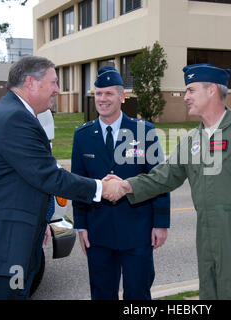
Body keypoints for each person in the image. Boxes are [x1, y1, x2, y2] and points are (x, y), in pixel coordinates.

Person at [0, 56, 118, 300]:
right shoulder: (14, 118)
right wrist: (102, 188)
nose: (57, 90)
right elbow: (48, 176)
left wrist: (40, 222)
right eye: (53, 82)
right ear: (30, 82)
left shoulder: (13, 113)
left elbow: (25, 180)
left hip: (5, 250)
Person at [106, 63, 231, 300]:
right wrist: (126, 185)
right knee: (210, 294)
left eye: (191, 90)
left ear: (211, 91)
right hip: (206, 235)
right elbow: (164, 176)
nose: (185, 96)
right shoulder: (192, 139)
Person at [71, 66, 170, 300]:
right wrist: (81, 226)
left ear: (121, 97)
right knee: (102, 293)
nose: (102, 99)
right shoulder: (83, 135)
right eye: (98, 94)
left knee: (138, 294)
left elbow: (159, 180)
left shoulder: (144, 131)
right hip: (98, 231)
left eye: (108, 94)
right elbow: (78, 185)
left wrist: (161, 223)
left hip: (137, 231)